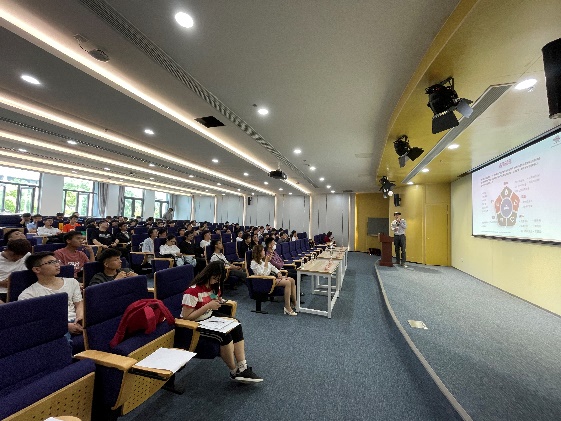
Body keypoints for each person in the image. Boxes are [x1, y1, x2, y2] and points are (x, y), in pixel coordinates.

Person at [181, 261, 263, 383]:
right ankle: (234, 371)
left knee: (236, 324)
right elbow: (187, 317)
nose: (216, 282)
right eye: (214, 278)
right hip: (194, 324)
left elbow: (213, 297)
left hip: (209, 317)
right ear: (207, 275)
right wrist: (208, 306)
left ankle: (242, 366)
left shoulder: (214, 286)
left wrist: (219, 300)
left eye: (218, 279)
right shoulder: (192, 291)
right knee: (225, 335)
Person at [19, 252, 83, 343]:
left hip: (76, 319)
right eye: (51, 262)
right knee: (59, 337)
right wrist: (65, 326)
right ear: (37, 269)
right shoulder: (28, 295)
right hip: (54, 325)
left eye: (56, 261)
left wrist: (80, 317)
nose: (57, 264)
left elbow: (79, 303)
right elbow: (37, 322)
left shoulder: (72, 282)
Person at [251, 244, 297, 316]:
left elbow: (273, 267)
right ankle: (287, 307)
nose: (264, 252)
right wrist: (266, 262)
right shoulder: (254, 263)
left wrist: (278, 272)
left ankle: (294, 303)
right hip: (264, 281)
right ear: (258, 252)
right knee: (287, 282)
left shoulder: (262, 260)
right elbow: (263, 274)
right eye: (263, 250)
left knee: (292, 280)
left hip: (270, 278)